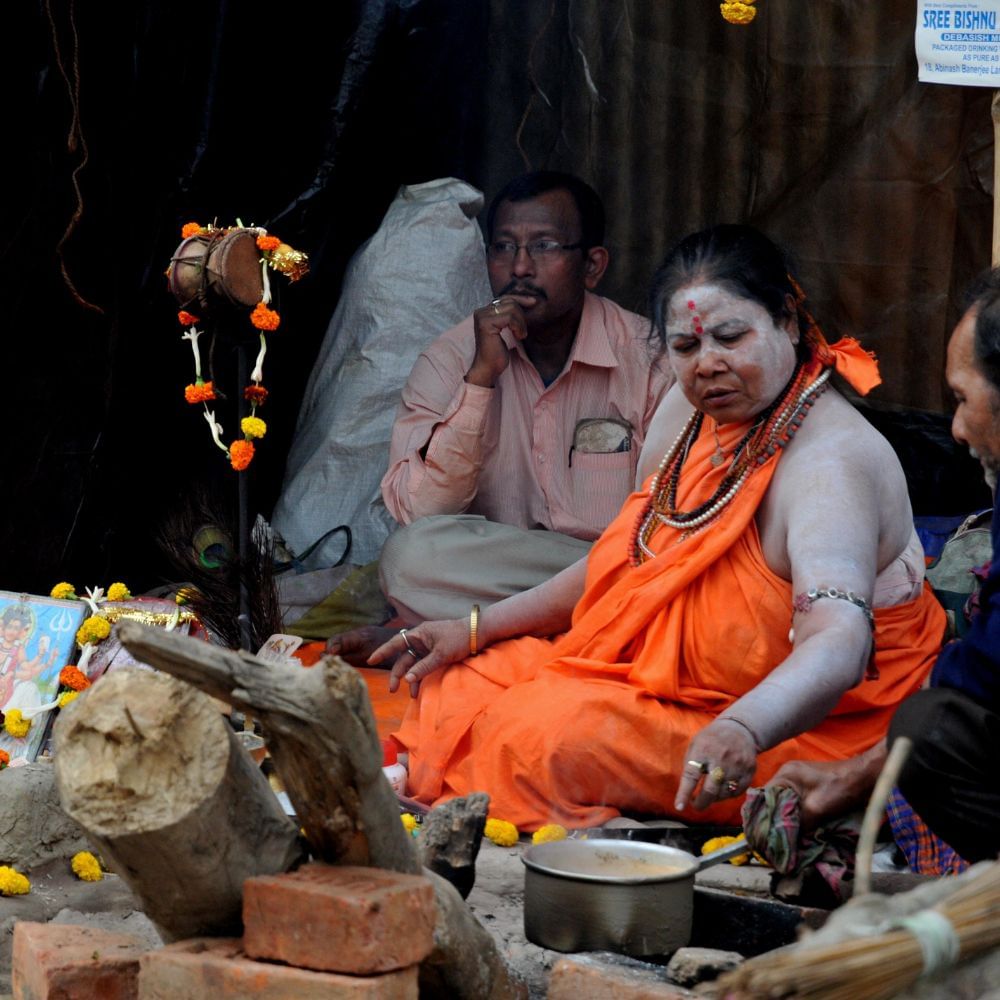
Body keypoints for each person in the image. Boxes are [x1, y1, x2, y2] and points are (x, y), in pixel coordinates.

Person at [366, 224, 946, 831]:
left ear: (790, 323)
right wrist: (472, 628)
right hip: (664, 685)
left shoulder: (830, 463)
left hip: (798, 728)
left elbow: (839, 643)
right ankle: (447, 772)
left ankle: (457, 784)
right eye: (686, 347)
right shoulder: (687, 413)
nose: (710, 365)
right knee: (461, 678)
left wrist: (743, 728)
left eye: (731, 336)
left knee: (547, 733)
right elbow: (626, 564)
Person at [771, 269, 1000, 866]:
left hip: (878, 709)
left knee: (927, 730)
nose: (954, 428)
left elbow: (978, 677)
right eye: (687, 346)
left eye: (961, 399)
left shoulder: (835, 451)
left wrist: (851, 775)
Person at [376, 171, 672, 625]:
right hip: (555, 583)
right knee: (408, 559)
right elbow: (422, 514)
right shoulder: (450, 359)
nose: (519, 268)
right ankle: (566, 622)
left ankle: (503, 627)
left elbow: (675, 521)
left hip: (619, 567)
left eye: (544, 246)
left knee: (667, 569)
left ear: (592, 266)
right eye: (504, 247)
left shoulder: (650, 361)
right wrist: (479, 382)